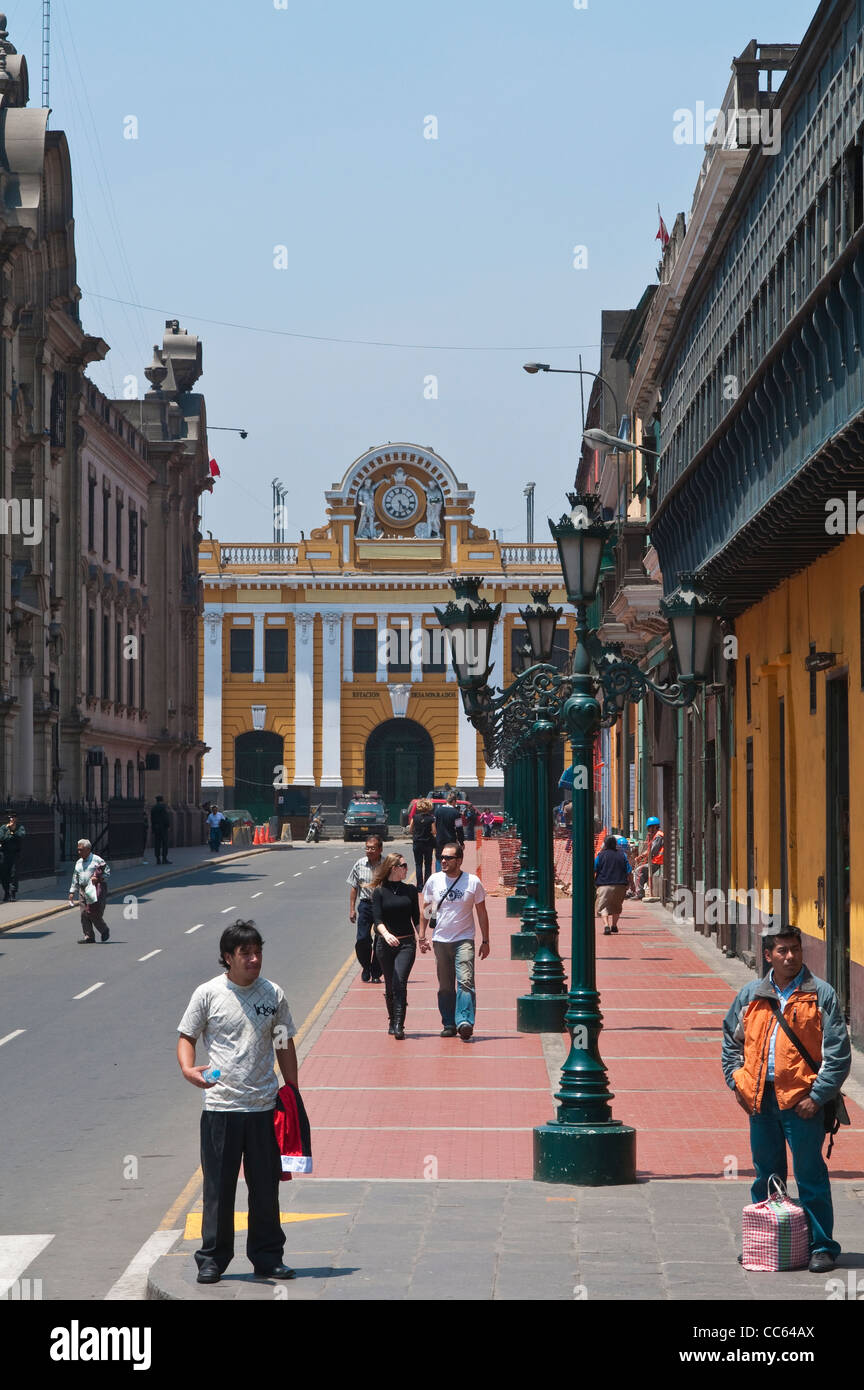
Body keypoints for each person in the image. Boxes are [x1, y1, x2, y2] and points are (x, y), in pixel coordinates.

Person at [722, 925, 851, 1274]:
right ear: (768, 955)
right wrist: (737, 1082)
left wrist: (818, 1096)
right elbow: (731, 1042)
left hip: (802, 1103)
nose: (790, 956)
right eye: (782, 950)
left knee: (810, 1175)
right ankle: (765, 1238)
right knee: (766, 1175)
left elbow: (838, 1055)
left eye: (795, 949)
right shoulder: (751, 994)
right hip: (760, 1101)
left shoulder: (821, 994)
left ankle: (821, 1246)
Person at [177, 920, 299, 1284]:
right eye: (246, 953)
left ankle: (267, 1257)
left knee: (265, 1188)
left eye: (258, 951)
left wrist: (292, 1089)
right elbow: (187, 1035)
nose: (254, 959)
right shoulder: (208, 993)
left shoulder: (272, 994)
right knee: (218, 1187)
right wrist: (188, 1070)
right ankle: (213, 1259)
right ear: (228, 957)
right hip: (220, 1109)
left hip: (263, 1107)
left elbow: (283, 1041)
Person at [419, 841, 489, 1040]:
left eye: (448, 858)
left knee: (465, 981)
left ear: (459, 860)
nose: (443, 861)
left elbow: (482, 912)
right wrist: (422, 936)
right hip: (440, 940)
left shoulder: (473, 882)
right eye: (442, 857)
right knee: (446, 986)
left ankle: (465, 1021)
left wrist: (486, 940)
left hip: (464, 939)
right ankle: (449, 1023)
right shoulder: (434, 880)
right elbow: (427, 909)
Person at [370, 852, 419, 1040]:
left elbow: (415, 917)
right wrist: (387, 934)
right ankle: (392, 1020)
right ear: (394, 868)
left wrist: (421, 937)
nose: (407, 869)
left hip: (406, 943)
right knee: (390, 985)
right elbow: (377, 919)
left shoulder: (410, 890)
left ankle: (399, 1025)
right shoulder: (379, 892)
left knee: (400, 981)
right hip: (385, 944)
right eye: (404, 865)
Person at [347, 836, 384, 983]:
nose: (369, 850)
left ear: (380, 849)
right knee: (362, 939)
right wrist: (352, 909)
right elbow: (353, 887)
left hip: (382, 906)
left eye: (372, 848)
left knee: (380, 940)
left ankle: (376, 972)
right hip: (365, 905)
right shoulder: (360, 864)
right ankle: (366, 966)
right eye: (367, 847)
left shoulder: (387, 864)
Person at [68, 838, 110, 943]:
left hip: (95, 889)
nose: (79, 852)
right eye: (78, 849)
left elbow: (107, 873)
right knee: (83, 913)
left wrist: (99, 879)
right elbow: (75, 877)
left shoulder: (97, 860)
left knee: (92, 912)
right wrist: (72, 891)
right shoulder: (78, 863)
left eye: (81, 850)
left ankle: (104, 929)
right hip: (83, 890)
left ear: (88, 849)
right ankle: (89, 936)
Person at [594, 835, 631, 935]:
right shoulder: (622, 855)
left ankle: (606, 925)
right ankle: (614, 925)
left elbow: (594, 868)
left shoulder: (600, 855)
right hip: (620, 885)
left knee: (603, 907)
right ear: (616, 844)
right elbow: (628, 871)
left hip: (604, 885)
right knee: (616, 906)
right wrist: (631, 884)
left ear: (605, 844)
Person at [433, 790, 464, 872]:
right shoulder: (456, 813)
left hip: (439, 840)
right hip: (451, 841)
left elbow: (434, 825)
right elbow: (459, 828)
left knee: (439, 859)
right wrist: (461, 842)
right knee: (450, 859)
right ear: (453, 801)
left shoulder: (437, 811)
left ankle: (439, 876)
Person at [408, 797, 435, 889]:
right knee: (428, 864)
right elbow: (434, 831)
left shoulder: (415, 817)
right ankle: (427, 885)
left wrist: (417, 832)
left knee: (418, 864)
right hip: (428, 843)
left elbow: (410, 830)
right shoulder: (431, 819)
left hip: (417, 843)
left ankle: (419, 886)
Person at [634, 817, 662, 898]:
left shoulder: (658, 836)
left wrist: (643, 857)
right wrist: (641, 856)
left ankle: (639, 893)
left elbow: (652, 851)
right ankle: (639, 891)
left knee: (638, 870)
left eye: (650, 827)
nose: (648, 829)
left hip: (657, 862)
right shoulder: (656, 836)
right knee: (641, 873)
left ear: (654, 827)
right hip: (655, 861)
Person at [0, 812, 26, 902]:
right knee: (4, 874)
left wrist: (12, 832)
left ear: (16, 819)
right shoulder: (3, 828)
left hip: (14, 854)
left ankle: (12, 893)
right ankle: (6, 892)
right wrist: (11, 834)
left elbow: (21, 836)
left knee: (13, 874)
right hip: (4, 854)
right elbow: (2, 838)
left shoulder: (20, 827)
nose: (11, 819)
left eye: (13, 818)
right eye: (10, 818)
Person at [151, 795, 172, 865]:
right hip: (163, 828)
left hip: (156, 828)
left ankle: (157, 859)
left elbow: (152, 819)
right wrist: (168, 825)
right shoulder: (163, 807)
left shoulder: (153, 808)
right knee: (164, 843)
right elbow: (165, 817)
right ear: (162, 800)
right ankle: (164, 859)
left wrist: (153, 828)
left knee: (157, 843)